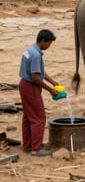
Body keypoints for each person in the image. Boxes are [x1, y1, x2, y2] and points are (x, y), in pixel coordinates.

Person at [18, 29, 65, 157]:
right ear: (43, 41)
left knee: (28, 117)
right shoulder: (36, 55)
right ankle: (36, 149)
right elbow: (35, 77)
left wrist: (53, 82)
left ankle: (28, 145)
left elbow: (40, 72)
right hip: (30, 87)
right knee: (39, 117)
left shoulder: (30, 50)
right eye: (49, 43)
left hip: (23, 84)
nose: (49, 46)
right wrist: (50, 90)